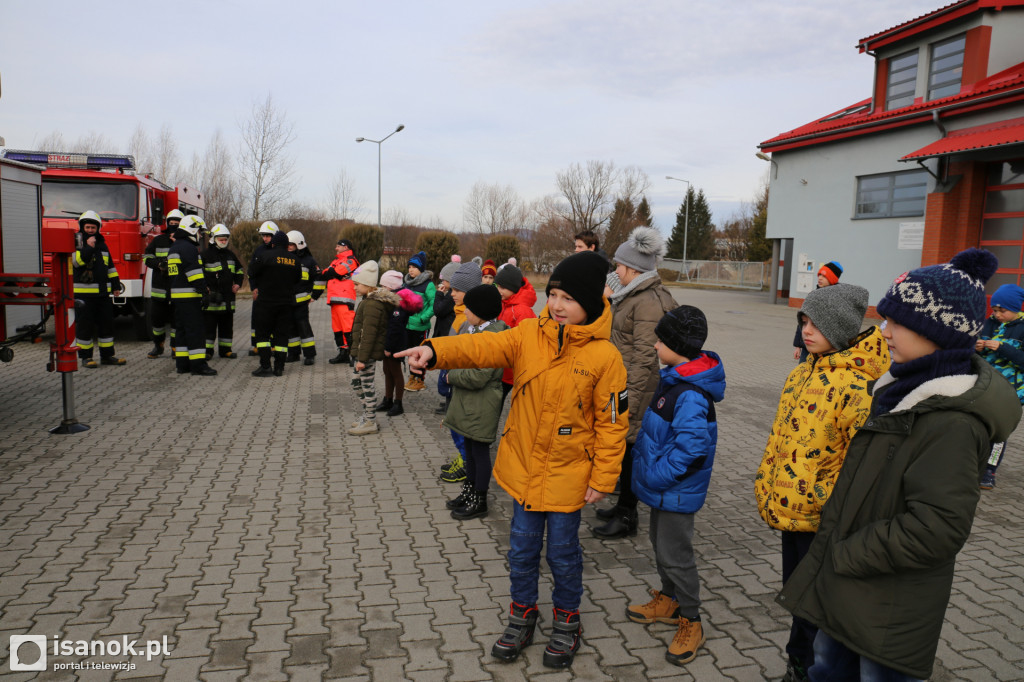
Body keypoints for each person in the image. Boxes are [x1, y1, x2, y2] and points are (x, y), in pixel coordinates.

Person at [778, 248, 1021, 681]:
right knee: (827, 668)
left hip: (885, 604)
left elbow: (937, 527)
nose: (884, 332)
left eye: (896, 322)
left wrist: (848, 552)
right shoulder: (896, 391)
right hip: (853, 587)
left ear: (936, 331)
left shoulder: (951, 421)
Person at [398, 250, 628, 669]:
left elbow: (613, 425)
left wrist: (604, 477)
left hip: (568, 476)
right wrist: (434, 351)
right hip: (524, 471)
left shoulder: (606, 358)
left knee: (562, 554)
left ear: (591, 303)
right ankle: (523, 614)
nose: (557, 305)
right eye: (553, 294)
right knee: (521, 551)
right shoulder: (528, 335)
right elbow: (485, 345)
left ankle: (566, 620)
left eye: (568, 298)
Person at [755, 283, 889, 682]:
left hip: (822, 518)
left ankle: (812, 669)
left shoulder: (857, 385)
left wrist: (823, 499)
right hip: (791, 510)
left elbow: (859, 462)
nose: (806, 330)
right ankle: (797, 663)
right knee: (798, 597)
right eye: (804, 321)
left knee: (817, 605)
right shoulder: (803, 372)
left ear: (842, 328)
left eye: (816, 323)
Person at [627, 305, 725, 667]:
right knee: (660, 544)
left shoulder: (690, 394)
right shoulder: (674, 378)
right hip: (665, 489)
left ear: (677, 345)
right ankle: (668, 600)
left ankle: (692, 620)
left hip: (676, 490)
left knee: (676, 555)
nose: (654, 345)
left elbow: (692, 448)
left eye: (660, 340)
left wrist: (657, 475)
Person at [594, 226, 677, 539]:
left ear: (633, 269)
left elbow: (645, 357)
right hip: (625, 385)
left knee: (629, 450)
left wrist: (625, 399)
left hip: (634, 389)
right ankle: (622, 507)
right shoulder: (635, 295)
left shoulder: (647, 302)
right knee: (624, 449)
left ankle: (628, 515)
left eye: (619, 266)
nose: (616, 270)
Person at [442, 285, 507, 520]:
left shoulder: (494, 337)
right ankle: (468, 492)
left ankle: (479, 499)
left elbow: (480, 375)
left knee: (479, 451)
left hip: (483, 402)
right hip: (468, 401)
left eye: (468, 308)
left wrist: (452, 376)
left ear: (481, 312)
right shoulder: (472, 329)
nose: (464, 311)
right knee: (469, 450)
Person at [438, 261, 484, 484]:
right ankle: (462, 457)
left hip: (459, 379)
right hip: (451, 374)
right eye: (451, 288)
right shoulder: (459, 314)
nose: (451, 293)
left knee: (458, 425)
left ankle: (466, 462)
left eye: (457, 290)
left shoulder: (469, 319)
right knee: (454, 422)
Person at [975, 282, 1024, 489]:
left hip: (1011, 392)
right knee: (977, 428)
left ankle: (989, 471)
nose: (996, 314)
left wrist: (1002, 347)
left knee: (999, 434)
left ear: (1015, 308)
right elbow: (979, 350)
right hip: (985, 386)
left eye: (1001, 310)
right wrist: (977, 346)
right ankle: (971, 467)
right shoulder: (990, 322)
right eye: (994, 310)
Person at [72, 210, 126, 368]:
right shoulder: (76, 241)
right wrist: (88, 248)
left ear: (98, 228)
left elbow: (110, 267)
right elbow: (77, 263)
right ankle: (85, 357)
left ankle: (108, 356)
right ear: (82, 227)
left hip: (103, 294)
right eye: (87, 227)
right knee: (84, 327)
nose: (90, 230)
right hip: (84, 295)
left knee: (106, 325)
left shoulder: (102, 243)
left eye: (93, 228)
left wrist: (115, 285)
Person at [348, 261, 396, 436]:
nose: (354, 287)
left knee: (366, 386)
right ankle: (368, 416)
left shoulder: (372, 305)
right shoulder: (367, 301)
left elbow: (368, 334)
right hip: (362, 353)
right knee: (356, 383)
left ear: (367, 284)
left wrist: (361, 359)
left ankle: (370, 421)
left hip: (366, 355)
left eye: (357, 284)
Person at [168, 215, 216, 376]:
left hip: (177, 298)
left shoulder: (174, 247)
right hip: (190, 296)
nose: (201, 235)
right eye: (200, 232)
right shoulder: (188, 248)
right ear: (192, 229)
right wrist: (203, 291)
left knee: (181, 331)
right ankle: (198, 365)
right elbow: (194, 274)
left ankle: (182, 365)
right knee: (195, 331)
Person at [250, 231, 301, 378]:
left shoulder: (265, 256)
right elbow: (297, 279)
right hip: (286, 303)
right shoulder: (295, 260)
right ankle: (279, 367)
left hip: (265, 302)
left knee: (263, 335)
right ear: (286, 245)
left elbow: (252, 271)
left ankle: (265, 366)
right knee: (281, 336)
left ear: (273, 243)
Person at [377, 269, 423, 418]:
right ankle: (388, 399)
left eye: (383, 286)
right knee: (387, 370)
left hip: (395, 343)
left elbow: (395, 327)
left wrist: (389, 348)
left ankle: (398, 403)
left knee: (395, 372)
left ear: (390, 287)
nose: (382, 288)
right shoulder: (392, 299)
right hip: (389, 341)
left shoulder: (398, 302)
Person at [142, 208, 184, 358]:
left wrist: (177, 242)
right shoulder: (158, 240)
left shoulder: (184, 242)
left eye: (176, 224)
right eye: (171, 223)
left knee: (176, 321)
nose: (173, 226)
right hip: (159, 289)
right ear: (167, 224)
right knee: (157, 320)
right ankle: (158, 345)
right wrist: (158, 264)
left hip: (177, 288)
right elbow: (146, 256)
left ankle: (175, 347)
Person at [200, 224, 245, 359]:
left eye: (225, 239)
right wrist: (205, 287)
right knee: (209, 327)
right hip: (212, 298)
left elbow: (239, 270)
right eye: (221, 239)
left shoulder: (230, 255)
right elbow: (199, 274)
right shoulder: (205, 255)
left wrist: (238, 283)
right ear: (213, 239)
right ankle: (207, 351)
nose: (224, 241)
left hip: (227, 298)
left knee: (227, 326)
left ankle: (226, 350)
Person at [494, 263, 537, 401]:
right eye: (498, 286)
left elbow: (523, 341)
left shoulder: (522, 310)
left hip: (512, 368)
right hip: (503, 365)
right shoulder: (505, 303)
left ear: (513, 288)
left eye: (502, 287)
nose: (499, 290)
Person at [320, 239, 360, 365]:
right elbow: (324, 274)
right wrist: (333, 273)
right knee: (337, 329)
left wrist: (333, 273)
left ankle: (354, 355)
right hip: (334, 299)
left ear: (345, 247)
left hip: (345, 298)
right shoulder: (336, 260)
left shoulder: (351, 260)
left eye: (338, 246)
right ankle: (343, 353)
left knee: (348, 329)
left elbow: (336, 272)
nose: (336, 248)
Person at [793, 261, 843, 362]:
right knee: (802, 374)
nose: (820, 278)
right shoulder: (812, 296)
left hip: (825, 350)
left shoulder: (837, 299)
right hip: (807, 348)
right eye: (819, 275)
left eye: (824, 276)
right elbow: (802, 323)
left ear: (832, 279)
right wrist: (798, 346)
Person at [432, 257, 462, 415]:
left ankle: (450, 405)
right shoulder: (450, 293)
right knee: (446, 371)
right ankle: (448, 402)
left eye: (445, 280)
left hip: (448, 335)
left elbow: (438, 310)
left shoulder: (452, 295)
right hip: (445, 333)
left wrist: (438, 295)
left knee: (448, 373)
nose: (442, 283)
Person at [403, 250, 436, 392]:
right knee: (411, 354)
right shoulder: (407, 283)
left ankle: (420, 380)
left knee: (420, 354)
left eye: (414, 267)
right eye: (409, 267)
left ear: (421, 269)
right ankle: (412, 377)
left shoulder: (428, 285)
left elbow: (435, 304)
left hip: (420, 326)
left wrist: (423, 318)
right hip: (407, 325)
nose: (411, 270)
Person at [285, 230, 319, 366]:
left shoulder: (309, 261)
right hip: (287, 301)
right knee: (290, 328)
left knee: (304, 327)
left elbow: (319, 279)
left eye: (291, 245)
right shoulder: (285, 259)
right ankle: (293, 354)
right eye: (287, 245)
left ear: (299, 245)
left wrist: (315, 296)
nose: (288, 247)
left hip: (301, 302)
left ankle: (310, 355)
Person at [248, 221, 279, 356]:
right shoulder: (259, 250)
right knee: (257, 319)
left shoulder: (279, 251)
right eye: (263, 235)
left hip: (273, 291)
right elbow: (251, 271)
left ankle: (273, 345)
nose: (265, 238)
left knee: (273, 319)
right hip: (260, 291)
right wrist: (254, 288)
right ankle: (256, 345)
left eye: (268, 235)